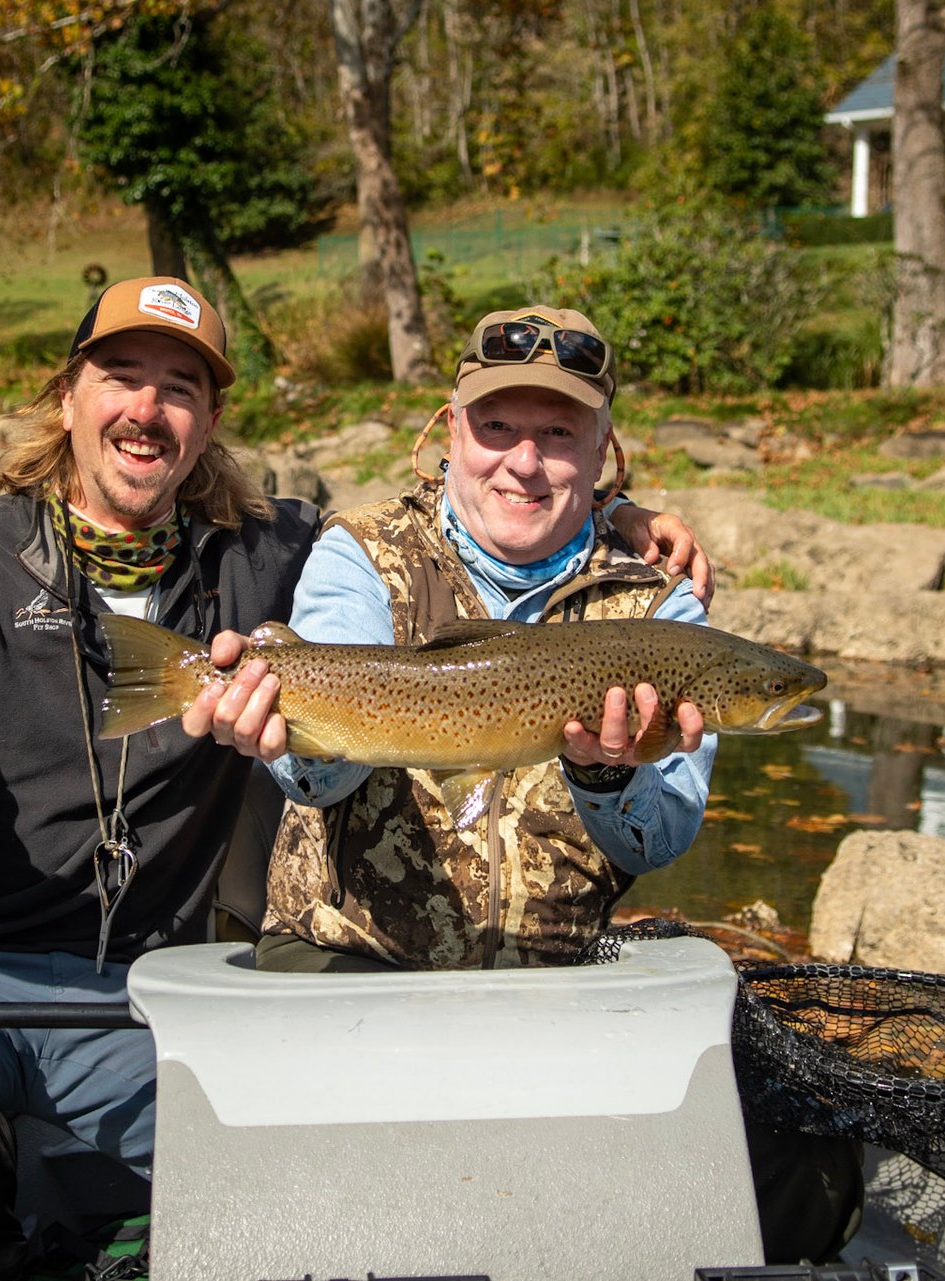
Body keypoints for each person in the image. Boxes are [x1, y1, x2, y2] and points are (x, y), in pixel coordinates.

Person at [0, 278, 711, 1280]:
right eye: (121, 377)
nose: (147, 409)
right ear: (67, 396)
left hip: (137, 989)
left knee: (285, 1180)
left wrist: (618, 514)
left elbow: (500, 501)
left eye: (179, 387)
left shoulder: (265, 554)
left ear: (211, 419)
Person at [186, 304, 864, 1261]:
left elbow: (658, 836)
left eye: (558, 433)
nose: (524, 461)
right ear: (449, 433)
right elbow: (317, 777)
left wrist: (604, 773)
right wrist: (289, 737)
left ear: (602, 451)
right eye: (497, 427)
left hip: (554, 997)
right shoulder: (361, 552)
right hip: (350, 973)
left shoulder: (661, 609)